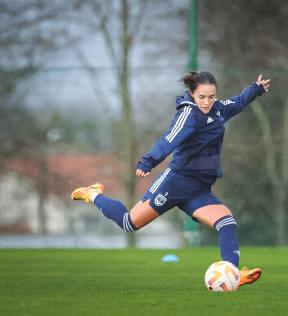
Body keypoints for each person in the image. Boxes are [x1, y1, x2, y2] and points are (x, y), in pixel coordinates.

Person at [71, 71, 271, 287]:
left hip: (199, 189)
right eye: (202, 96)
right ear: (192, 93)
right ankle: (93, 194)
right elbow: (169, 139)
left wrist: (255, 89)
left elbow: (238, 102)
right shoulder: (189, 115)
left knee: (227, 223)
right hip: (175, 183)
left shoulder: (218, 109)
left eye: (211, 96)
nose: (207, 102)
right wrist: (148, 162)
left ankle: (232, 273)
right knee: (129, 223)